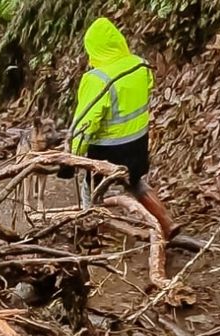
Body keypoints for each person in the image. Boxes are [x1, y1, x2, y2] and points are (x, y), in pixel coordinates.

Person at [70, 17, 178, 239]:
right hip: (137, 142)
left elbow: (86, 121)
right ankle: (167, 222)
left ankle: (90, 230)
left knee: (90, 186)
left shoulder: (96, 78)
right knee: (135, 181)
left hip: (106, 149)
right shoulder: (139, 65)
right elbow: (149, 86)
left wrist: (75, 155)